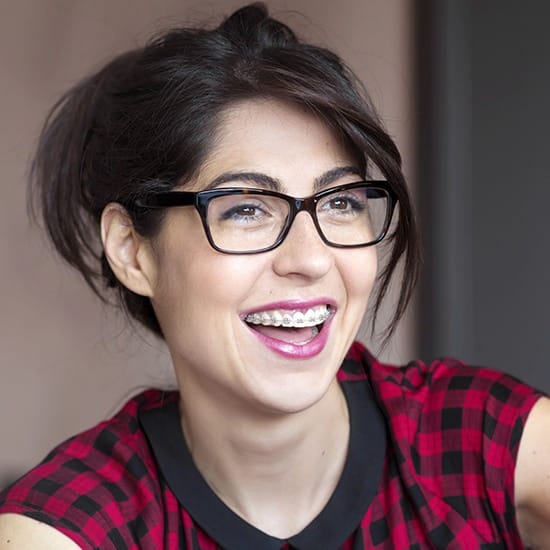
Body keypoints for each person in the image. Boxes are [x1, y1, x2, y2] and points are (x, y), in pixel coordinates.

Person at [1, 3, 549, 548]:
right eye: (246, 209)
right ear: (132, 251)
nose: (310, 260)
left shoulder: (487, 446)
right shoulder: (71, 526)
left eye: (341, 202)